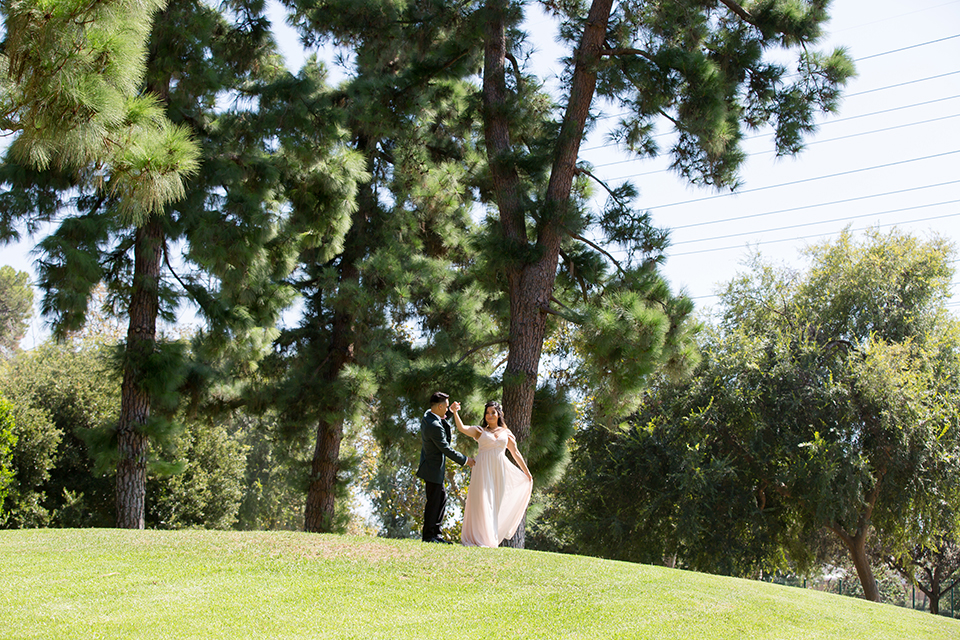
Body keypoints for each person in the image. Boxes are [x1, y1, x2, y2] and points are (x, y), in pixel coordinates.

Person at [452, 400, 533, 548]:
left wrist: (527, 473)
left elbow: (515, 453)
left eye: (493, 412)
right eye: (487, 413)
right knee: (482, 502)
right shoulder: (480, 431)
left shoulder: (506, 433)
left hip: (499, 471)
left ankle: (490, 539)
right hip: (482, 469)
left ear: (499, 414)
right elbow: (462, 428)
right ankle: (479, 539)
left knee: (494, 504)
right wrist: (455, 412)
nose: (490, 415)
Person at [416, 391, 475, 544]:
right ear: (440, 406)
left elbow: (441, 417)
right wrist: (465, 460)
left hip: (432, 466)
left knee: (440, 498)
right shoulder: (434, 426)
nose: (447, 408)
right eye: (447, 406)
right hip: (433, 468)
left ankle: (435, 534)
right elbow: (446, 449)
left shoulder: (428, 415)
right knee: (435, 501)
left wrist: (450, 411)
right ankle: (430, 536)